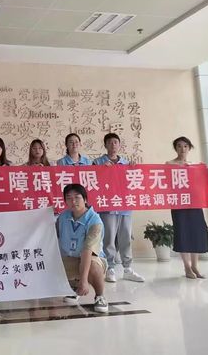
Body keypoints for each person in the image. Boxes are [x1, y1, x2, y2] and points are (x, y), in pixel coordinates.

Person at [93, 133, 144, 283]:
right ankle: (110, 268)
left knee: (125, 237)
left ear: (119, 145)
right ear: (105, 145)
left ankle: (127, 268)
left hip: (124, 206)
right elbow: (93, 182)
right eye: (110, 142)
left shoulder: (126, 163)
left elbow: (133, 183)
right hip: (107, 206)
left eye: (116, 142)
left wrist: (133, 169)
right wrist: (102, 170)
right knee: (108, 238)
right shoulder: (97, 162)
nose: (113, 145)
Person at [56, 184, 108, 313]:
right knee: (48, 265)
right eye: (69, 198)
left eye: (77, 197)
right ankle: (75, 287)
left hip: (91, 258)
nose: (73, 201)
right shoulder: (63, 217)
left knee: (92, 266)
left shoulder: (95, 221)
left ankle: (100, 296)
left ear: (85, 199)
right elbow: (52, 236)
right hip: (70, 257)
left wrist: (84, 280)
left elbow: (87, 251)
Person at [167, 136, 208, 279]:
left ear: (189, 148)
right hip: (179, 203)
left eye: (185, 146)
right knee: (182, 232)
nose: (182, 149)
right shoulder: (169, 164)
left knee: (196, 232)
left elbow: (202, 182)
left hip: (194, 203)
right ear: (175, 148)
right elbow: (165, 182)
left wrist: (206, 171)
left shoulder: (194, 165)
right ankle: (187, 267)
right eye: (179, 146)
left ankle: (195, 266)